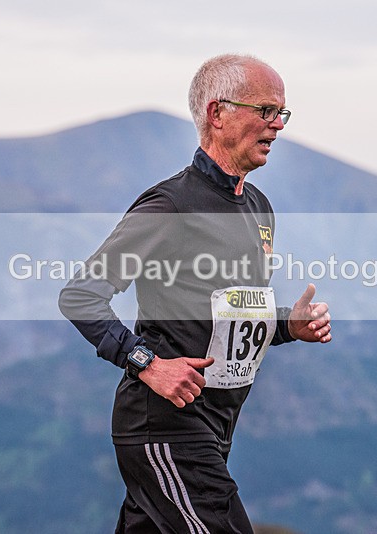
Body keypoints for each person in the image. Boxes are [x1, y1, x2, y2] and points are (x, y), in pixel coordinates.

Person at [59, 53, 332, 534]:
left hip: (217, 424)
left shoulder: (258, 207)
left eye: (281, 113)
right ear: (217, 113)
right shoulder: (171, 205)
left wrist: (289, 325)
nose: (277, 125)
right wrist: (148, 363)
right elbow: (81, 295)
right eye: (265, 111)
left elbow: (226, 315)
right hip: (165, 426)